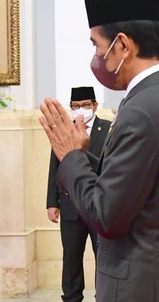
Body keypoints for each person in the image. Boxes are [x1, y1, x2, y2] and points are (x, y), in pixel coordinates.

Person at [39, 0, 159, 302]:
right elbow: (140, 184)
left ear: (123, 45)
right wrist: (84, 155)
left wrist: (71, 157)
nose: (96, 58)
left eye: (97, 46)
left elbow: (107, 216)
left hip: (142, 284)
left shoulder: (141, 110)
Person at [45, 86, 109, 302]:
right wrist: (52, 202)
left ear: (95, 105)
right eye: (75, 106)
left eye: (85, 105)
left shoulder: (107, 129)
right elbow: (55, 167)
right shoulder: (65, 132)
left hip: (98, 203)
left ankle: (104, 294)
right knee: (71, 256)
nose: (81, 109)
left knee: (103, 255)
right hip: (71, 206)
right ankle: (72, 297)